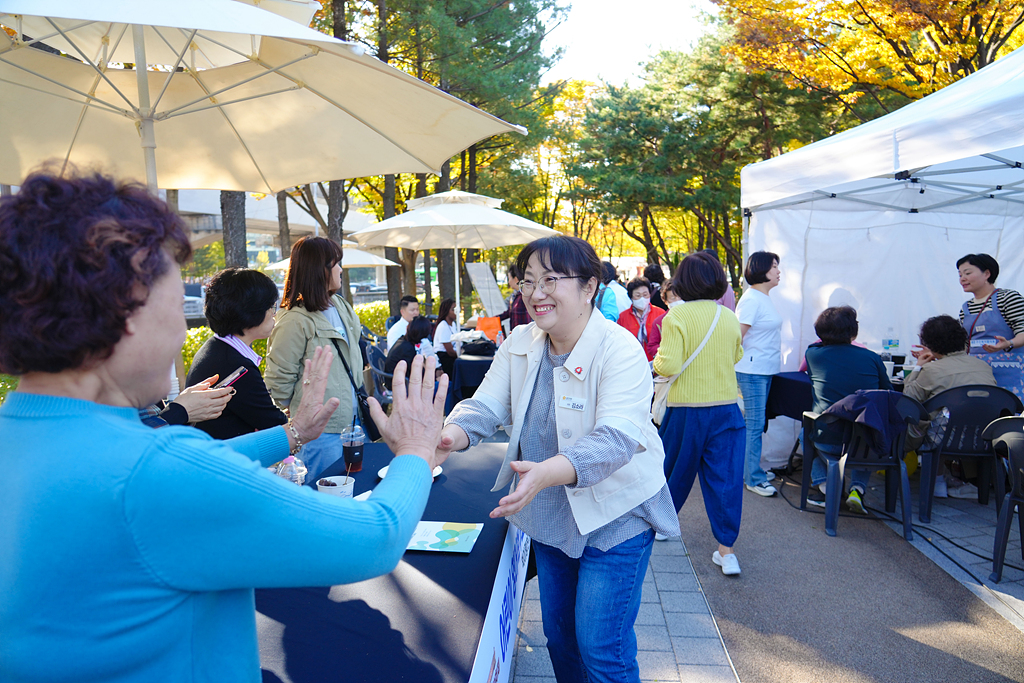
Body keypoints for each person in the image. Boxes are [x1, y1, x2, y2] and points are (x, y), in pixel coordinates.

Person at [0, 170, 447, 682]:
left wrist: (292, 432)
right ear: (127, 314)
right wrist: (415, 450)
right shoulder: (153, 473)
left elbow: (183, 466)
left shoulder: (30, 437)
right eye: (178, 308)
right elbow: (377, 539)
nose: (182, 334)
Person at [437, 235, 679, 683]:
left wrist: (546, 471)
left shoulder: (618, 347)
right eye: (527, 281)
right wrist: (445, 437)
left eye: (551, 279)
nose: (535, 292)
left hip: (616, 516)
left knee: (601, 649)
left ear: (589, 287)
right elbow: (485, 406)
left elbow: (616, 438)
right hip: (550, 514)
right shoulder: (520, 343)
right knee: (561, 640)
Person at [653, 252, 746, 576]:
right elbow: (736, 355)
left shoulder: (675, 317)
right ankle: (726, 551)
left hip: (686, 410)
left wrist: (654, 364)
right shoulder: (729, 317)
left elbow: (669, 365)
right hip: (726, 409)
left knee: (670, 473)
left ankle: (660, 527)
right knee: (725, 481)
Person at [265, 236, 366, 481]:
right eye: (336, 263)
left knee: (352, 490)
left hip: (354, 423)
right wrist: (303, 416)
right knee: (323, 497)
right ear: (319, 269)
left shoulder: (340, 305)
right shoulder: (293, 319)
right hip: (320, 434)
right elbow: (278, 383)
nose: (341, 269)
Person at [804, 306, 892, 513]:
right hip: (864, 442)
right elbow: (887, 392)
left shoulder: (813, 355)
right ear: (853, 332)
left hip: (829, 439)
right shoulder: (872, 358)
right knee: (867, 430)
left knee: (804, 434)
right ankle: (857, 489)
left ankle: (826, 486)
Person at [186, 268, 288, 439]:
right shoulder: (236, 366)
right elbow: (276, 424)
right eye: (271, 306)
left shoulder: (217, 348)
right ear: (250, 311)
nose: (274, 313)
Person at [905, 314, 997, 499]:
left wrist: (919, 366)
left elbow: (908, 400)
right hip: (984, 438)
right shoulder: (983, 366)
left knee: (927, 420)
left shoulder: (931, 370)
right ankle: (953, 481)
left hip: (943, 438)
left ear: (929, 343)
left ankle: (936, 480)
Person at [734, 251, 783, 497]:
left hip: (764, 370)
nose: (778, 271)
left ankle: (752, 469)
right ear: (762, 270)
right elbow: (736, 337)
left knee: (756, 424)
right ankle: (753, 478)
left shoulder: (763, 298)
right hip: (751, 371)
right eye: (774, 266)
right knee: (753, 426)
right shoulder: (752, 299)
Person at [955, 253, 1024, 400]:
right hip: (977, 375)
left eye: (967, 273)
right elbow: (964, 344)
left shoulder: (1007, 298)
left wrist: (1008, 343)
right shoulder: (965, 308)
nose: (962, 279)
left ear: (987, 273)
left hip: (1011, 374)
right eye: (960, 274)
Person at [617, 277, 666, 361]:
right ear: (631, 297)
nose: (642, 298)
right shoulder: (623, 317)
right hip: (632, 362)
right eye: (638, 295)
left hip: (657, 362)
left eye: (645, 294)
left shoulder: (660, 313)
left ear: (650, 294)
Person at [385, 316, 439, 390]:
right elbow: (416, 373)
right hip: (399, 385)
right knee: (447, 386)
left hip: (395, 381)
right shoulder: (408, 349)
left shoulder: (403, 342)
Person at [646, 283, 681, 360]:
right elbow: (651, 346)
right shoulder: (659, 321)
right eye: (673, 298)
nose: (678, 300)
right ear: (665, 301)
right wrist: (667, 349)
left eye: (680, 296)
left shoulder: (693, 317)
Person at [497, 262, 532, 331]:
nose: (509, 282)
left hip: (522, 336)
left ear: (516, 279)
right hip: (516, 335)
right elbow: (509, 313)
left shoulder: (523, 297)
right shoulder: (515, 296)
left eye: (509, 278)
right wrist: (494, 319)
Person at [432, 298, 462, 379]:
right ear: (446, 311)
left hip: (453, 356)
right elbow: (450, 352)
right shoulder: (443, 326)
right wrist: (462, 356)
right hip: (445, 358)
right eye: (453, 309)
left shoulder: (453, 324)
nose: (456, 312)